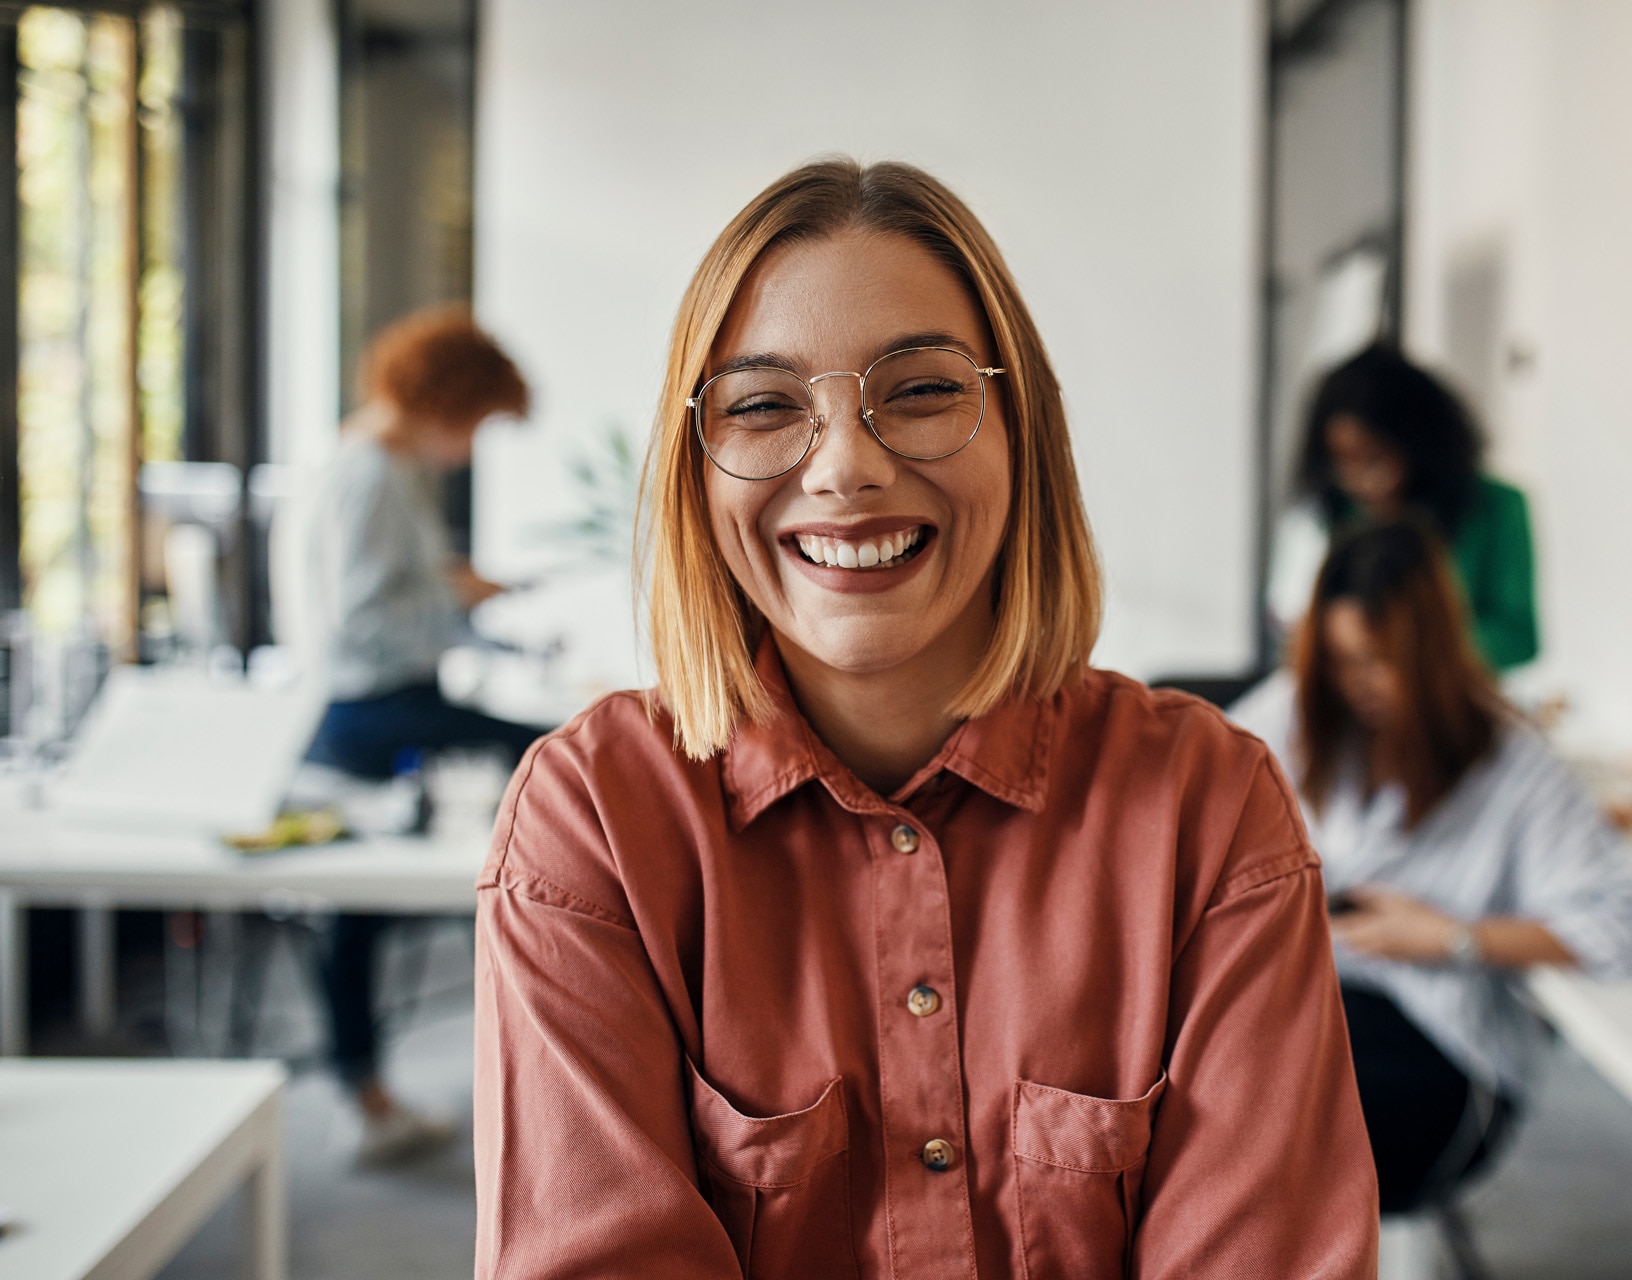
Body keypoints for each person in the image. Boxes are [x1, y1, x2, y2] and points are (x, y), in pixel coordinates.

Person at [472, 159, 1377, 1278]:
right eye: (762, 405)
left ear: (1022, 431)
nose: (847, 466)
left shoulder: (1209, 807)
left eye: (923, 390)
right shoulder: (594, 821)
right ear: (695, 474)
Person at [1232, 519, 1632, 1213]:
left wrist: (1453, 938)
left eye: (1379, 660)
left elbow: (1628, 932)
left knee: (1254, 1139)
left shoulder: (1513, 765)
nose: (1358, 684)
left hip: (1434, 1050)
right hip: (1298, 1013)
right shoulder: (1292, 717)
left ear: (1431, 654)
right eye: (1342, 660)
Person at [302, 305, 547, 1164]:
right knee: (557, 755)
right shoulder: (370, 473)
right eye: (477, 422)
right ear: (450, 400)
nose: (472, 444)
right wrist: (458, 598)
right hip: (368, 710)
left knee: (361, 912)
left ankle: (367, 1088)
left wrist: (466, 601)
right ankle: (368, 1090)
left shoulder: (382, 467)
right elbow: (361, 620)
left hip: (385, 699)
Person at [1268, 343, 1540, 671]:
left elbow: (1517, 637)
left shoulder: (1495, 507)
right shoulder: (1342, 511)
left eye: (1374, 460)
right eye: (1344, 464)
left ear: (1417, 444)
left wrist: (1405, 642)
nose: (1359, 481)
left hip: (1453, 705)